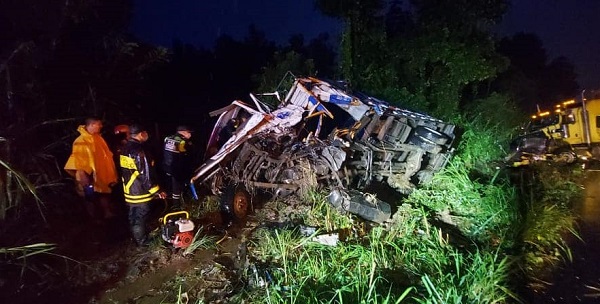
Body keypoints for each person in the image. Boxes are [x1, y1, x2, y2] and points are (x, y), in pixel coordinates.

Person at [119, 124, 166, 246]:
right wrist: (157, 191)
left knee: (134, 217)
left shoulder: (125, 148)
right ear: (141, 134)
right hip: (140, 191)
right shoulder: (140, 151)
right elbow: (145, 174)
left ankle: (137, 239)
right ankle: (143, 242)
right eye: (145, 133)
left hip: (129, 189)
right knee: (140, 217)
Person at [64, 117, 118, 221]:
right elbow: (78, 161)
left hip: (100, 175)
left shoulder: (98, 138)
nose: (101, 126)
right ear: (92, 125)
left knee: (103, 193)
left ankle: (107, 214)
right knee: (90, 198)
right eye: (99, 124)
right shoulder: (80, 141)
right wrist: (83, 176)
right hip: (87, 176)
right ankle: (94, 219)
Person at [162, 125, 193, 210]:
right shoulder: (182, 142)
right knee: (177, 189)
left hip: (166, 167)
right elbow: (184, 157)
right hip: (176, 168)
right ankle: (176, 207)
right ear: (182, 132)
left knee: (169, 187)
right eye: (189, 132)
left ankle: (167, 204)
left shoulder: (167, 138)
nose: (190, 135)